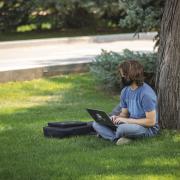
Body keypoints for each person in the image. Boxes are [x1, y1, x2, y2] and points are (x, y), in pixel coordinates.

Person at [93, 60, 160, 145]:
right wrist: (115, 118)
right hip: (129, 123)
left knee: (122, 129)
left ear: (132, 75)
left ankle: (109, 135)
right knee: (97, 123)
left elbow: (151, 122)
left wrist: (126, 121)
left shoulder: (146, 94)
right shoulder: (125, 91)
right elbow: (124, 114)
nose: (122, 77)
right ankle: (116, 139)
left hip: (146, 128)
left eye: (124, 75)